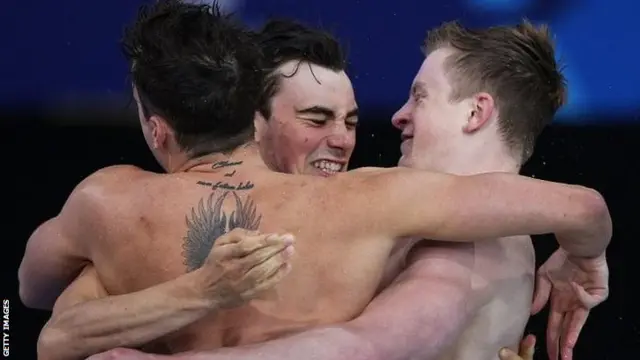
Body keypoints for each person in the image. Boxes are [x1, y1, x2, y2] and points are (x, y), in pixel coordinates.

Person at [20, 3, 611, 360]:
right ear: (254, 117)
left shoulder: (392, 212)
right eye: (315, 118)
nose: (353, 138)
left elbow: (367, 349)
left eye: (352, 120)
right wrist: (194, 295)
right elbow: (43, 333)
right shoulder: (375, 210)